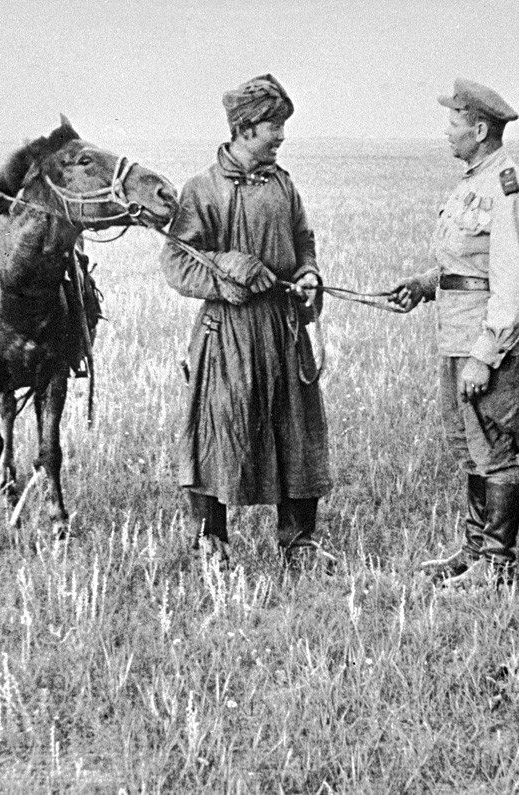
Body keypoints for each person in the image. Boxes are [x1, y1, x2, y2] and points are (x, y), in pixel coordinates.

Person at [159, 73, 332, 569]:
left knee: (296, 429)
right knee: (220, 426)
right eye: (273, 125)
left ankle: (298, 541)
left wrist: (309, 274)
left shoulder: (283, 184)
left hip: (284, 327)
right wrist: (226, 274)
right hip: (228, 331)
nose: (281, 136)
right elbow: (178, 262)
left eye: (282, 125)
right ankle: (210, 540)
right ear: (245, 127)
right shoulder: (201, 190)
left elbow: (304, 240)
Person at [390, 78, 519, 590]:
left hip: (487, 344)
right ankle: (475, 551)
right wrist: (424, 285)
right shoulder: (472, 183)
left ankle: (497, 566)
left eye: (453, 123)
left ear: (479, 128)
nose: (445, 132)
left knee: (495, 449)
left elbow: (513, 285)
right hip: (457, 334)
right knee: (472, 448)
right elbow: (466, 266)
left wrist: (485, 355)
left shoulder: (507, 188)